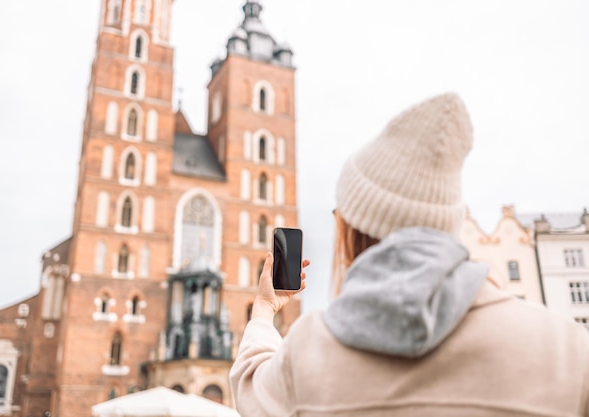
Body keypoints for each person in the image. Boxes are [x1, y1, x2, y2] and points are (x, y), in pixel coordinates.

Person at [229, 93, 589, 416]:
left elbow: (250, 389)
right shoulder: (567, 350)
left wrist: (264, 308)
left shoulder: (310, 352)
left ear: (355, 231)